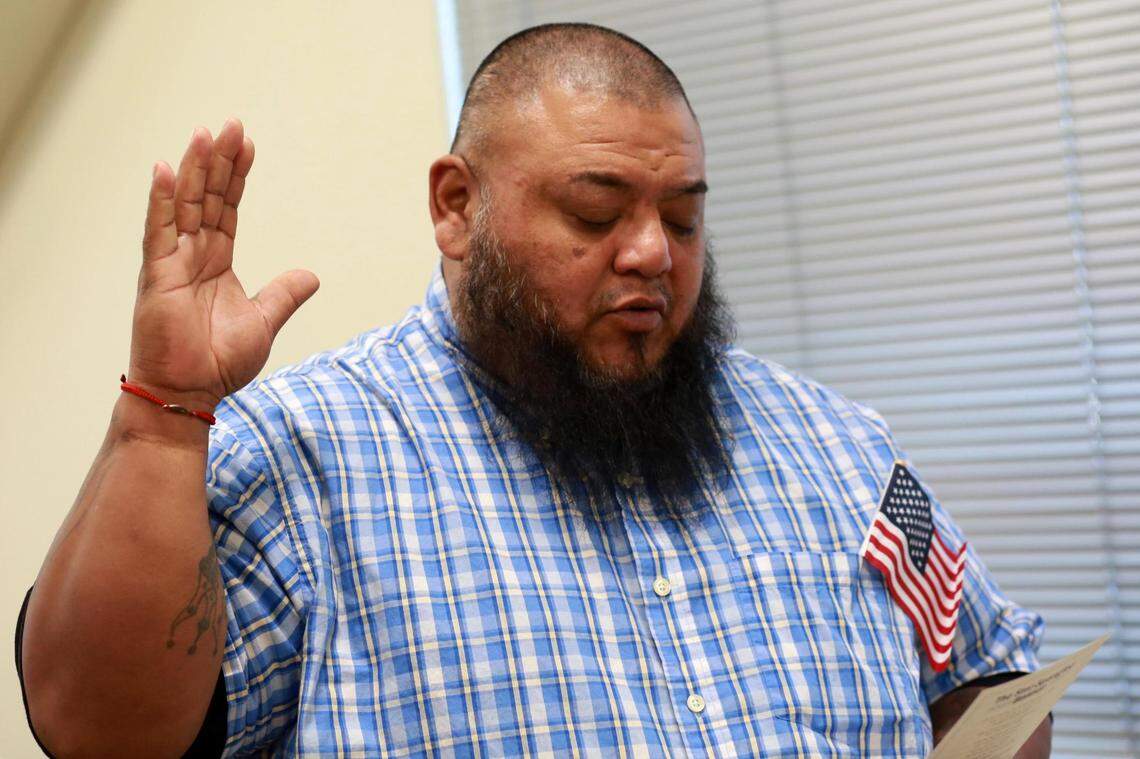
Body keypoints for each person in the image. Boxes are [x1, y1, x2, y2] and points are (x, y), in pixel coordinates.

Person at [17, 23, 1051, 758]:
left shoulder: (838, 447)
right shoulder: (310, 453)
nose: (652, 252)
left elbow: (989, 675)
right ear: (457, 206)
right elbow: (99, 730)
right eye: (597, 211)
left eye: (683, 218)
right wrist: (162, 420)